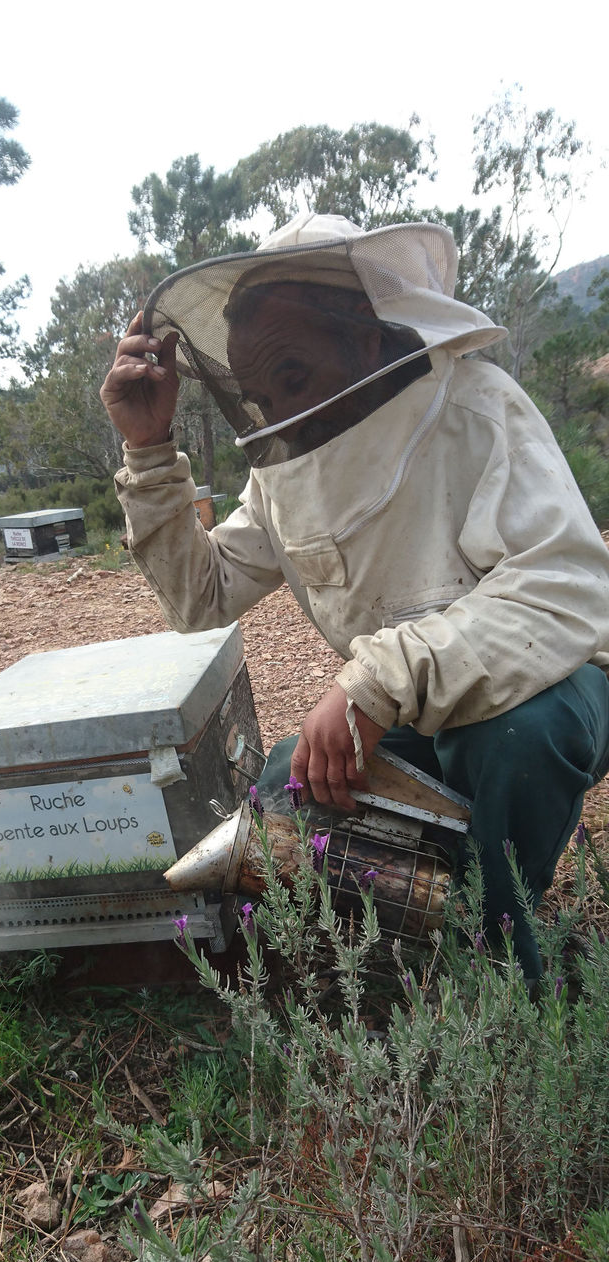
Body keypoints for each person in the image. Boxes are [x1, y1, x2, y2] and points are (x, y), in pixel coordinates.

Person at [100, 213, 609, 981]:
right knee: (284, 785)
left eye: (292, 376)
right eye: (260, 393)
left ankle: (502, 969)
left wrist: (374, 684)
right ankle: (385, 952)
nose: (278, 411)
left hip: (556, 693)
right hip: (415, 715)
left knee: (502, 740)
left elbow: (562, 590)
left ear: (364, 337)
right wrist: (146, 449)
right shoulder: (286, 468)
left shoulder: (474, 408)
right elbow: (199, 595)